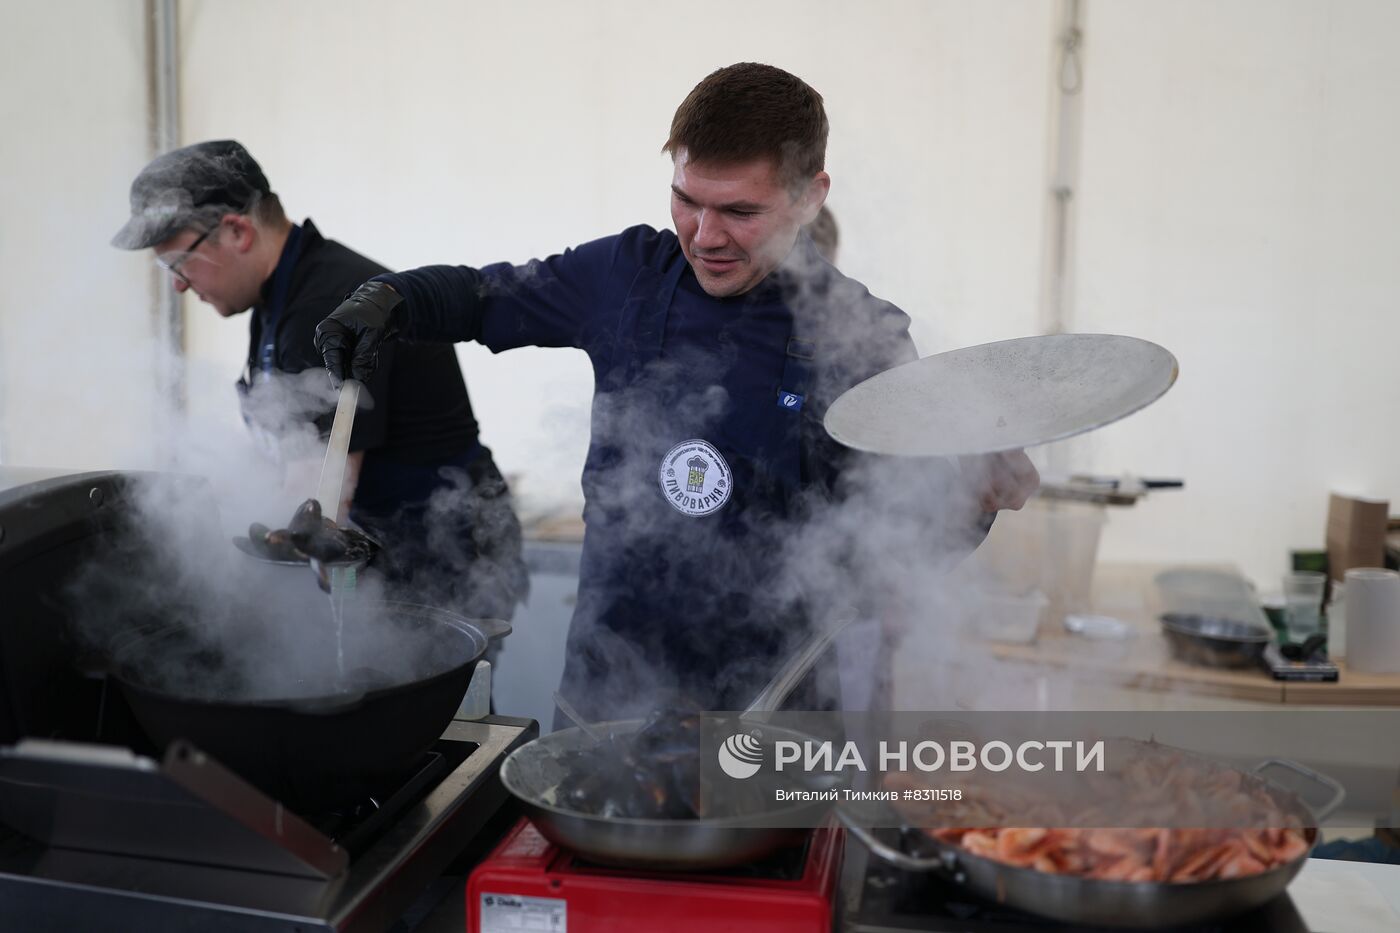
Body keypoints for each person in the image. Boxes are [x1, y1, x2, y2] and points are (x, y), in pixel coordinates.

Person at [315, 64, 1038, 720]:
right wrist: (389, 299)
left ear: (811, 195)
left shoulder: (863, 338)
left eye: (740, 212)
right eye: (687, 200)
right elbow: (481, 295)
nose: (704, 235)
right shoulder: (626, 275)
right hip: (603, 700)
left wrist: (975, 500)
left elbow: (891, 547)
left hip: (766, 713)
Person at [112, 140, 528, 621]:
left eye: (177, 264)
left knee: (441, 693)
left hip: (440, 556)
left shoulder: (324, 305)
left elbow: (322, 498)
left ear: (236, 231)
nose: (179, 285)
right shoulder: (278, 298)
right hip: (390, 547)